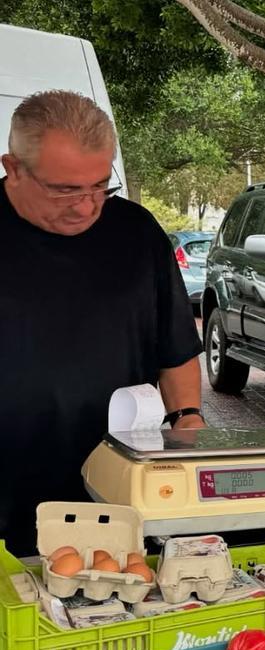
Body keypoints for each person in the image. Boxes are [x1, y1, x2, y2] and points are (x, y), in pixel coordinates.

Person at [0, 91, 203, 555]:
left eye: (99, 186)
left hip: (114, 484)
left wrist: (187, 420)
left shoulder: (137, 233)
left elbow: (175, 349)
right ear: (13, 168)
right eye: (64, 190)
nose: (86, 206)